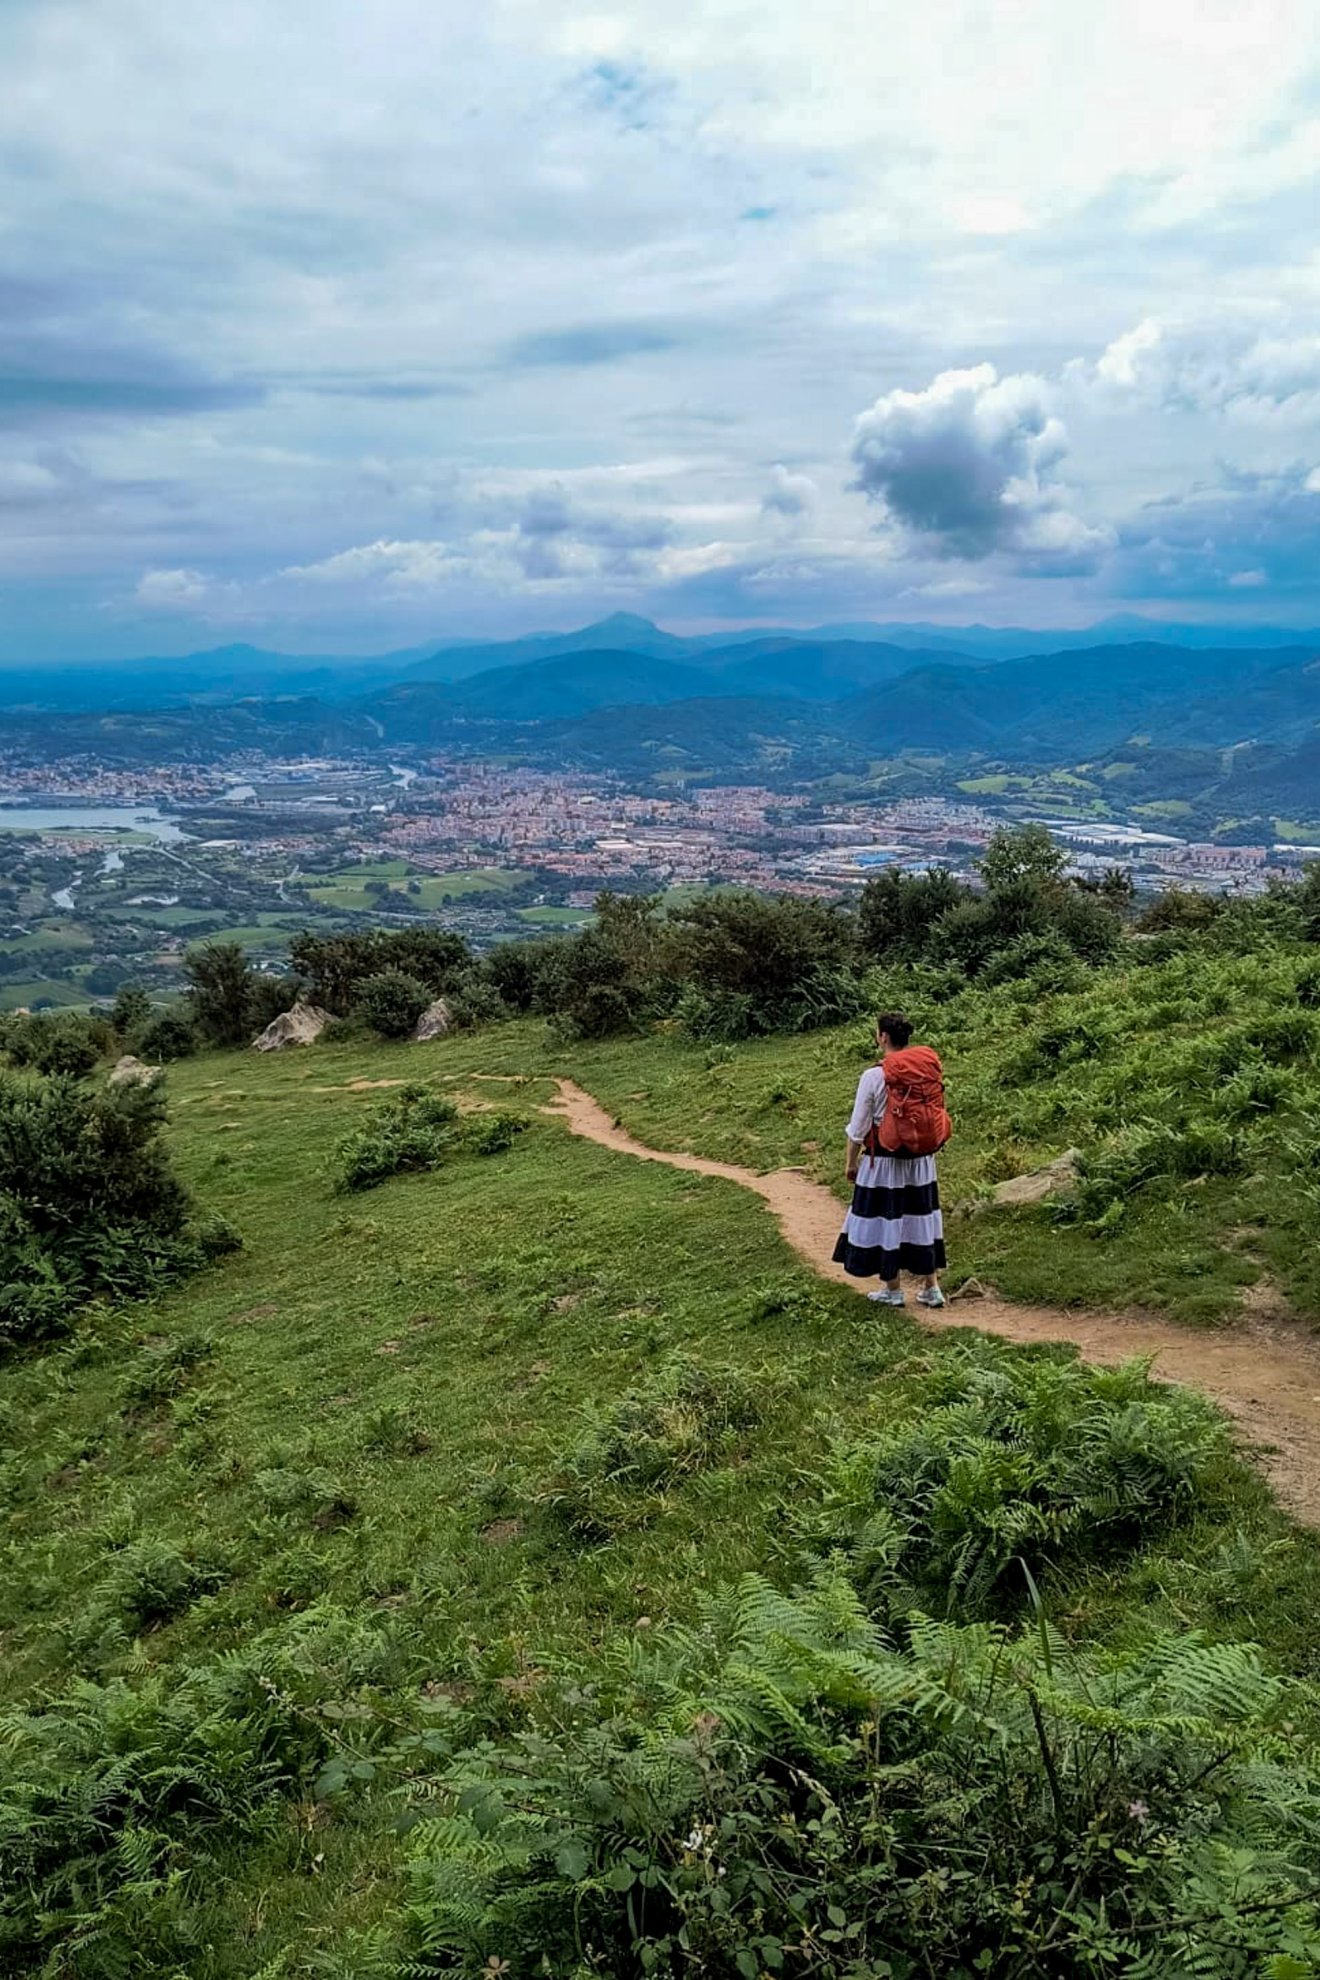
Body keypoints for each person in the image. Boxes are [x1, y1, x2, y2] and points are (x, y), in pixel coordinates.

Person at [832, 1011, 947, 1307]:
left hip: (884, 1160)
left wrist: (850, 1163)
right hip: (922, 1160)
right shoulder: (924, 1069)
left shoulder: (874, 1075)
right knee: (921, 1218)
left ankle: (892, 1289)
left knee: (887, 1219)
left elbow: (858, 1128)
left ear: (883, 1036)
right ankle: (931, 1288)